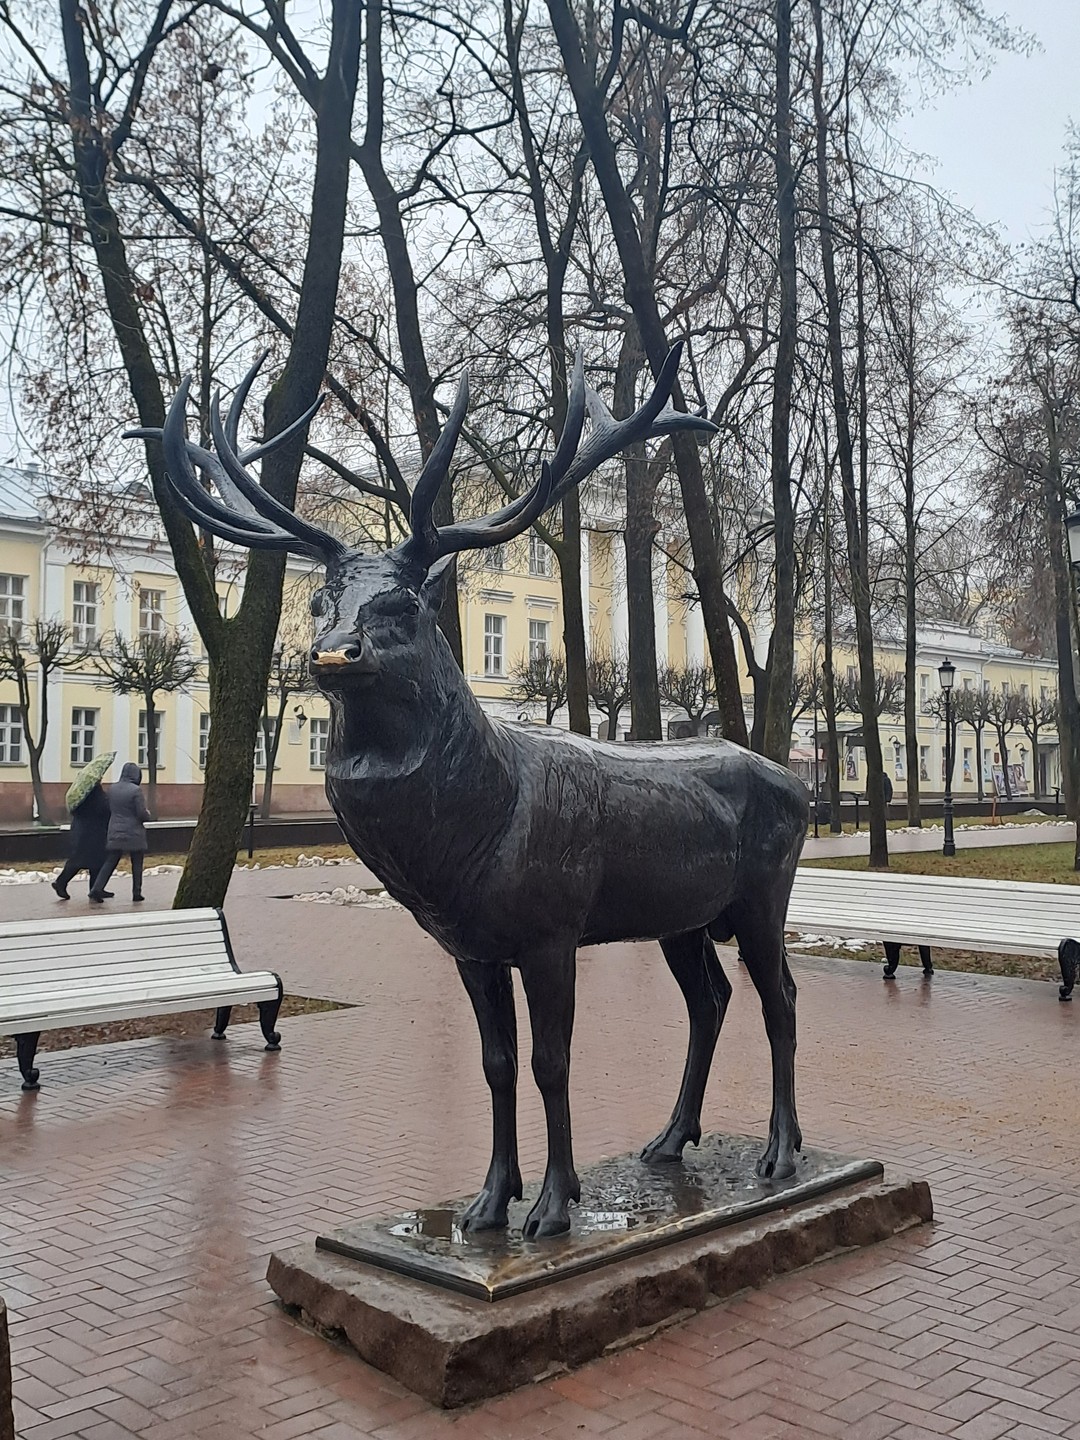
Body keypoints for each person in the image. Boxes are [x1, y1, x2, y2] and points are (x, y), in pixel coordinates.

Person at [91, 763, 151, 903]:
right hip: (134, 832)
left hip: (115, 829)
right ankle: (137, 892)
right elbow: (141, 814)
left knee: (111, 860)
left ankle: (96, 888)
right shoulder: (136, 791)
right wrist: (148, 814)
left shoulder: (112, 788)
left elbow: (109, 808)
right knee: (137, 862)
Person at [52, 782, 113, 900]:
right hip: (94, 833)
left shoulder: (79, 796)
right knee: (95, 861)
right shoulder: (98, 796)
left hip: (79, 832)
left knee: (79, 859)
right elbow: (106, 810)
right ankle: (65, 883)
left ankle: (94, 888)